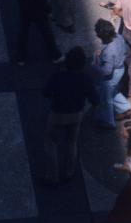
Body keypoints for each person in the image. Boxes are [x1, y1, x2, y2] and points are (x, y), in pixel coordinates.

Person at [41, 48, 99, 186]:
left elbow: (46, 93)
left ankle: (52, 176)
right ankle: (69, 172)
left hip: (58, 113)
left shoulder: (57, 76)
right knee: (72, 142)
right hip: (76, 114)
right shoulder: (85, 79)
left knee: (50, 142)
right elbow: (95, 100)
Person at [92, 19, 131, 129]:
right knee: (113, 90)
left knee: (106, 99)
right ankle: (125, 108)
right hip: (121, 68)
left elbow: (107, 71)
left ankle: (109, 122)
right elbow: (127, 50)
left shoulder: (109, 51)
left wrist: (95, 66)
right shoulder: (119, 37)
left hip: (112, 74)